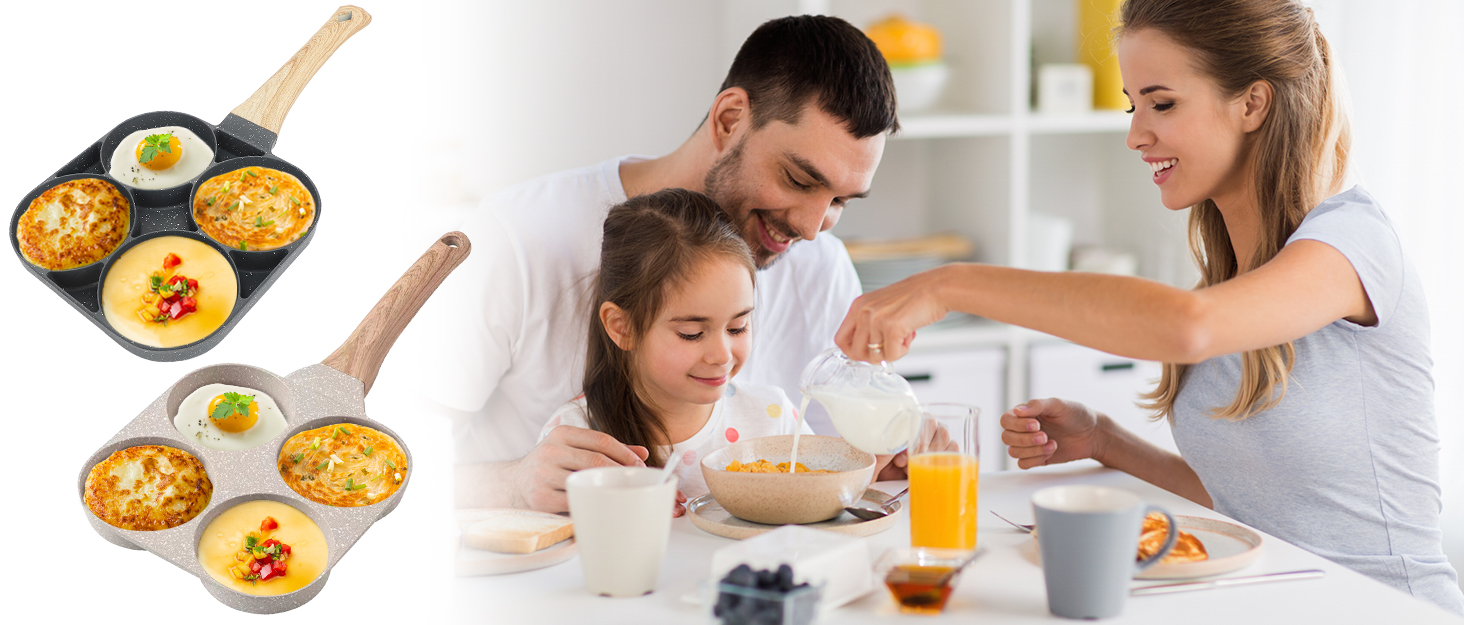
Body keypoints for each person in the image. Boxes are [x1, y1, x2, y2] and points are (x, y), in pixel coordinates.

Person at [833, 0, 1464, 614]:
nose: (1136, 135)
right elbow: (1248, 508)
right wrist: (1105, 441)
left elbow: (1185, 328)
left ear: (1252, 103)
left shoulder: (1353, 242)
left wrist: (951, 284)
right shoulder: (1232, 283)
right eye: (1133, 106)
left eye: (1162, 104)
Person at [415, 15, 899, 513]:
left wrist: (892, 455)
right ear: (729, 119)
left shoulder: (821, 266)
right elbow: (383, 458)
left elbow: (837, 469)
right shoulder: (517, 236)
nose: (813, 227)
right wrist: (514, 483)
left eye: (840, 201)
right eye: (798, 180)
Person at [539, 189, 816, 516]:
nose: (722, 355)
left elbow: (826, 507)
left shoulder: (773, 418)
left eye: (737, 327)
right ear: (622, 327)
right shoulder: (576, 438)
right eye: (692, 333)